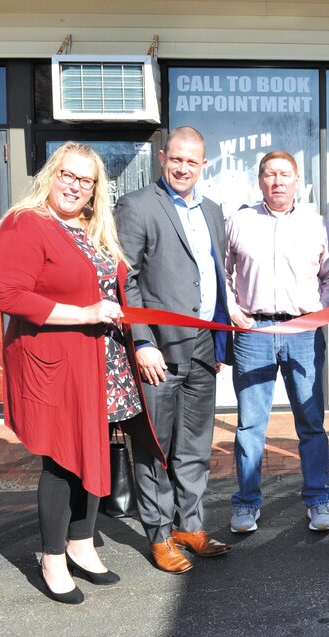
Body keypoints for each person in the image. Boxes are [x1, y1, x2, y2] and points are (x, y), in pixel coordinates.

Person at [0, 142, 162, 603]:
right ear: (51, 174)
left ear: (94, 190)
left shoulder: (92, 227)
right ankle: (52, 557)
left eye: (85, 180)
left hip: (101, 361)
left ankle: (82, 544)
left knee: (97, 449)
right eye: (67, 175)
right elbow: (10, 296)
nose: (74, 186)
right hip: (55, 361)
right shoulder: (26, 224)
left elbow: (121, 286)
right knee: (62, 457)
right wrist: (85, 312)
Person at [115, 126, 232, 573]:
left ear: (205, 165)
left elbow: (214, 278)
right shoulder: (138, 206)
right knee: (154, 449)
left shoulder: (215, 212)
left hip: (203, 348)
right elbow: (127, 281)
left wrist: (223, 334)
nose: (183, 168)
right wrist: (141, 341)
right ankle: (160, 535)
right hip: (157, 352)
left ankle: (190, 526)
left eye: (193, 161)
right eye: (176, 159)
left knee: (195, 447)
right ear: (163, 158)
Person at [225, 150, 329, 533]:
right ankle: (245, 504)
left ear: (297, 181)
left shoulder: (317, 224)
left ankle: (319, 499)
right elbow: (220, 272)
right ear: (260, 181)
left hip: (303, 334)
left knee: (311, 422)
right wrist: (231, 308)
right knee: (250, 425)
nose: (277, 181)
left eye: (284, 174)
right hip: (253, 332)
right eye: (270, 174)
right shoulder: (239, 221)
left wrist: (319, 313)